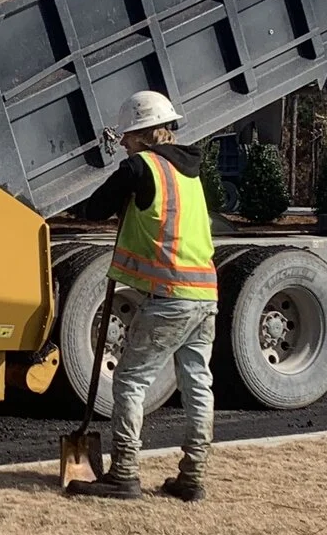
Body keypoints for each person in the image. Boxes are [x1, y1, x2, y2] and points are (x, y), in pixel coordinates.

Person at [68, 89, 218, 502]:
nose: (124, 145)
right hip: (205, 294)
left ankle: (125, 473)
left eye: (128, 137)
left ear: (145, 133)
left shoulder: (140, 168)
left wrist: (122, 194)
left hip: (169, 296)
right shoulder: (190, 171)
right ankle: (193, 477)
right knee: (197, 384)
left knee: (131, 381)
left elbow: (93, 210)